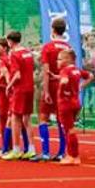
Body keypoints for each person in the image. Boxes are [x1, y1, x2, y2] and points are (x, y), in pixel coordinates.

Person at [34, 18, 71, 161]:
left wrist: (46, 90)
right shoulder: (68, 47)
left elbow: (46, 70)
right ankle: (62, 152)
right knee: (61, 118)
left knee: (43, 117)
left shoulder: (48, 47)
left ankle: (45, 152)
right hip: (64, 84)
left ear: (53, 29)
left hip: (52, 83)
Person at [51, 47, 89, 164]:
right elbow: (90, 76)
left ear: (67, 60)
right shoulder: (76, 70)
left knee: (69, 130)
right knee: (70, 128)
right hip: (75, 102)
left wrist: (62, 90)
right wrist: (81, 86)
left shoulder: (65, 71)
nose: (57, 62)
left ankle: (73, 156)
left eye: (60, 59)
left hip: (65, 103)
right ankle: (72, 154)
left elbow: (65, 81)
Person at [6, 31, 35, 160]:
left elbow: (17, 75)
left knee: (15, 117)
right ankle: (31, 149)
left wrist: (9, 85)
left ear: (10, 41)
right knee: (27, 119)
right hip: (30, 88)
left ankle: (16, 149)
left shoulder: (14, 54)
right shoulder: (28, 52)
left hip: (20, 89)